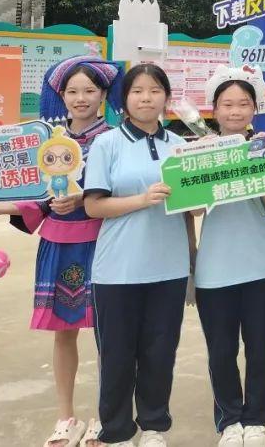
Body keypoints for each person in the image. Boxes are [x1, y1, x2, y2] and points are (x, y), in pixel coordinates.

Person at [0, 55, 124, 447]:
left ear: (104, 95)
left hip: (105, 244)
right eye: (72, 91)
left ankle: (108, 418)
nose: (81, 98)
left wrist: (83, 199)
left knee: (110, 336)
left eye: (89, 90)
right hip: (58, 245)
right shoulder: (47, 143)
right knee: (63, 333)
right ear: (61, 96)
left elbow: (122, 190)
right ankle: (65, 418)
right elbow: (36, 195)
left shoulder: (115, 140)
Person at [82, 63, 193, 447]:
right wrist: (143, 200)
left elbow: (193, 209)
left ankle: (154, 426)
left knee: (160, 352)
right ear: (124, 100)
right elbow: (94, 206)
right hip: (118, 269)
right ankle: (116, 431)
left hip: (169, 267)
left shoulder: (180, 146)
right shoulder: (107, 144)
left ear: (166, 98)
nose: (147, 98)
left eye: (155, 90)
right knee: (116, 355)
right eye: (138, 91)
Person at [193, 65, 265, 447]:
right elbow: (191, 209)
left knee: (260, 350)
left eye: (243, 103)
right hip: (215, 270)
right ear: (214, 109)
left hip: (264, 266)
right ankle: (229, 420)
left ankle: (255, 421)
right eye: (227, 104)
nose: (235, 111)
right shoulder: (199, 153)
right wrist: (205, 162)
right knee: (221, 351)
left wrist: (263, 161)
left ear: (254, 109)